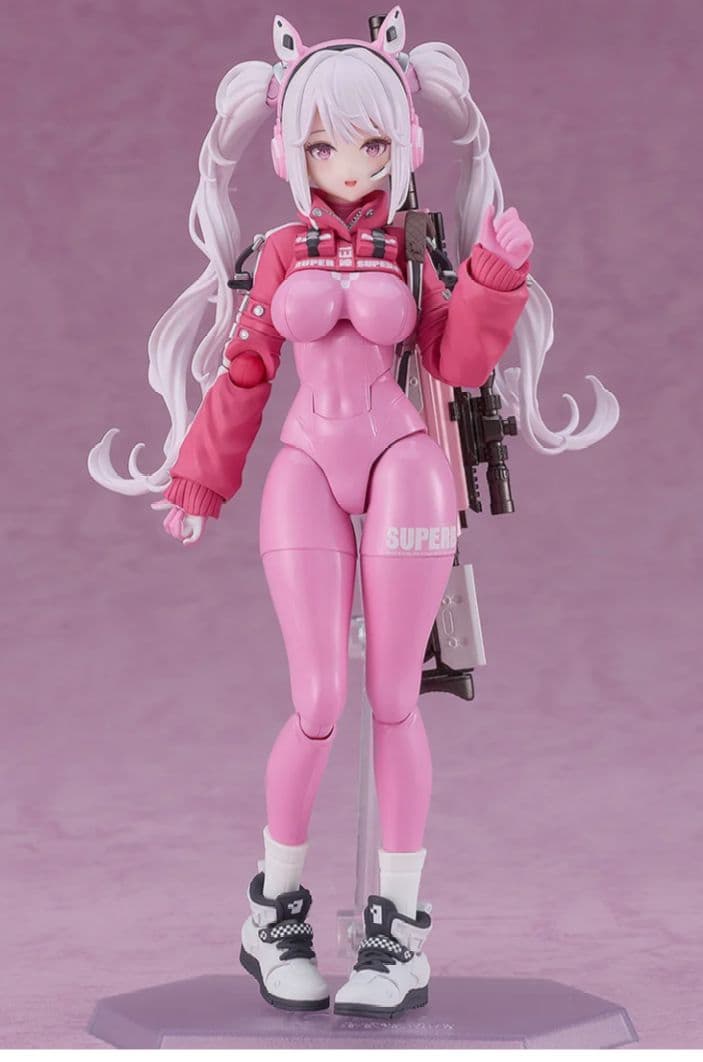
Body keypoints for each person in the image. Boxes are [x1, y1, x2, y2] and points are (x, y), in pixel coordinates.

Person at [88, 8, 619, 1018]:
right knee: (318, 698)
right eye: (323, 146)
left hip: (402, 462)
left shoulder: (413, 249)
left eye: (370, 143)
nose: (347, 165)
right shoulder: (282, 250)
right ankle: (273, 913)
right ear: (292, 150)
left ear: (403, 142)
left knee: (394, 697)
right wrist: (199, 482)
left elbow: (455, 362)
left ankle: (397, 930)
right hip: (305, 465)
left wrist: (494, 279)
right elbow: (247, 369)